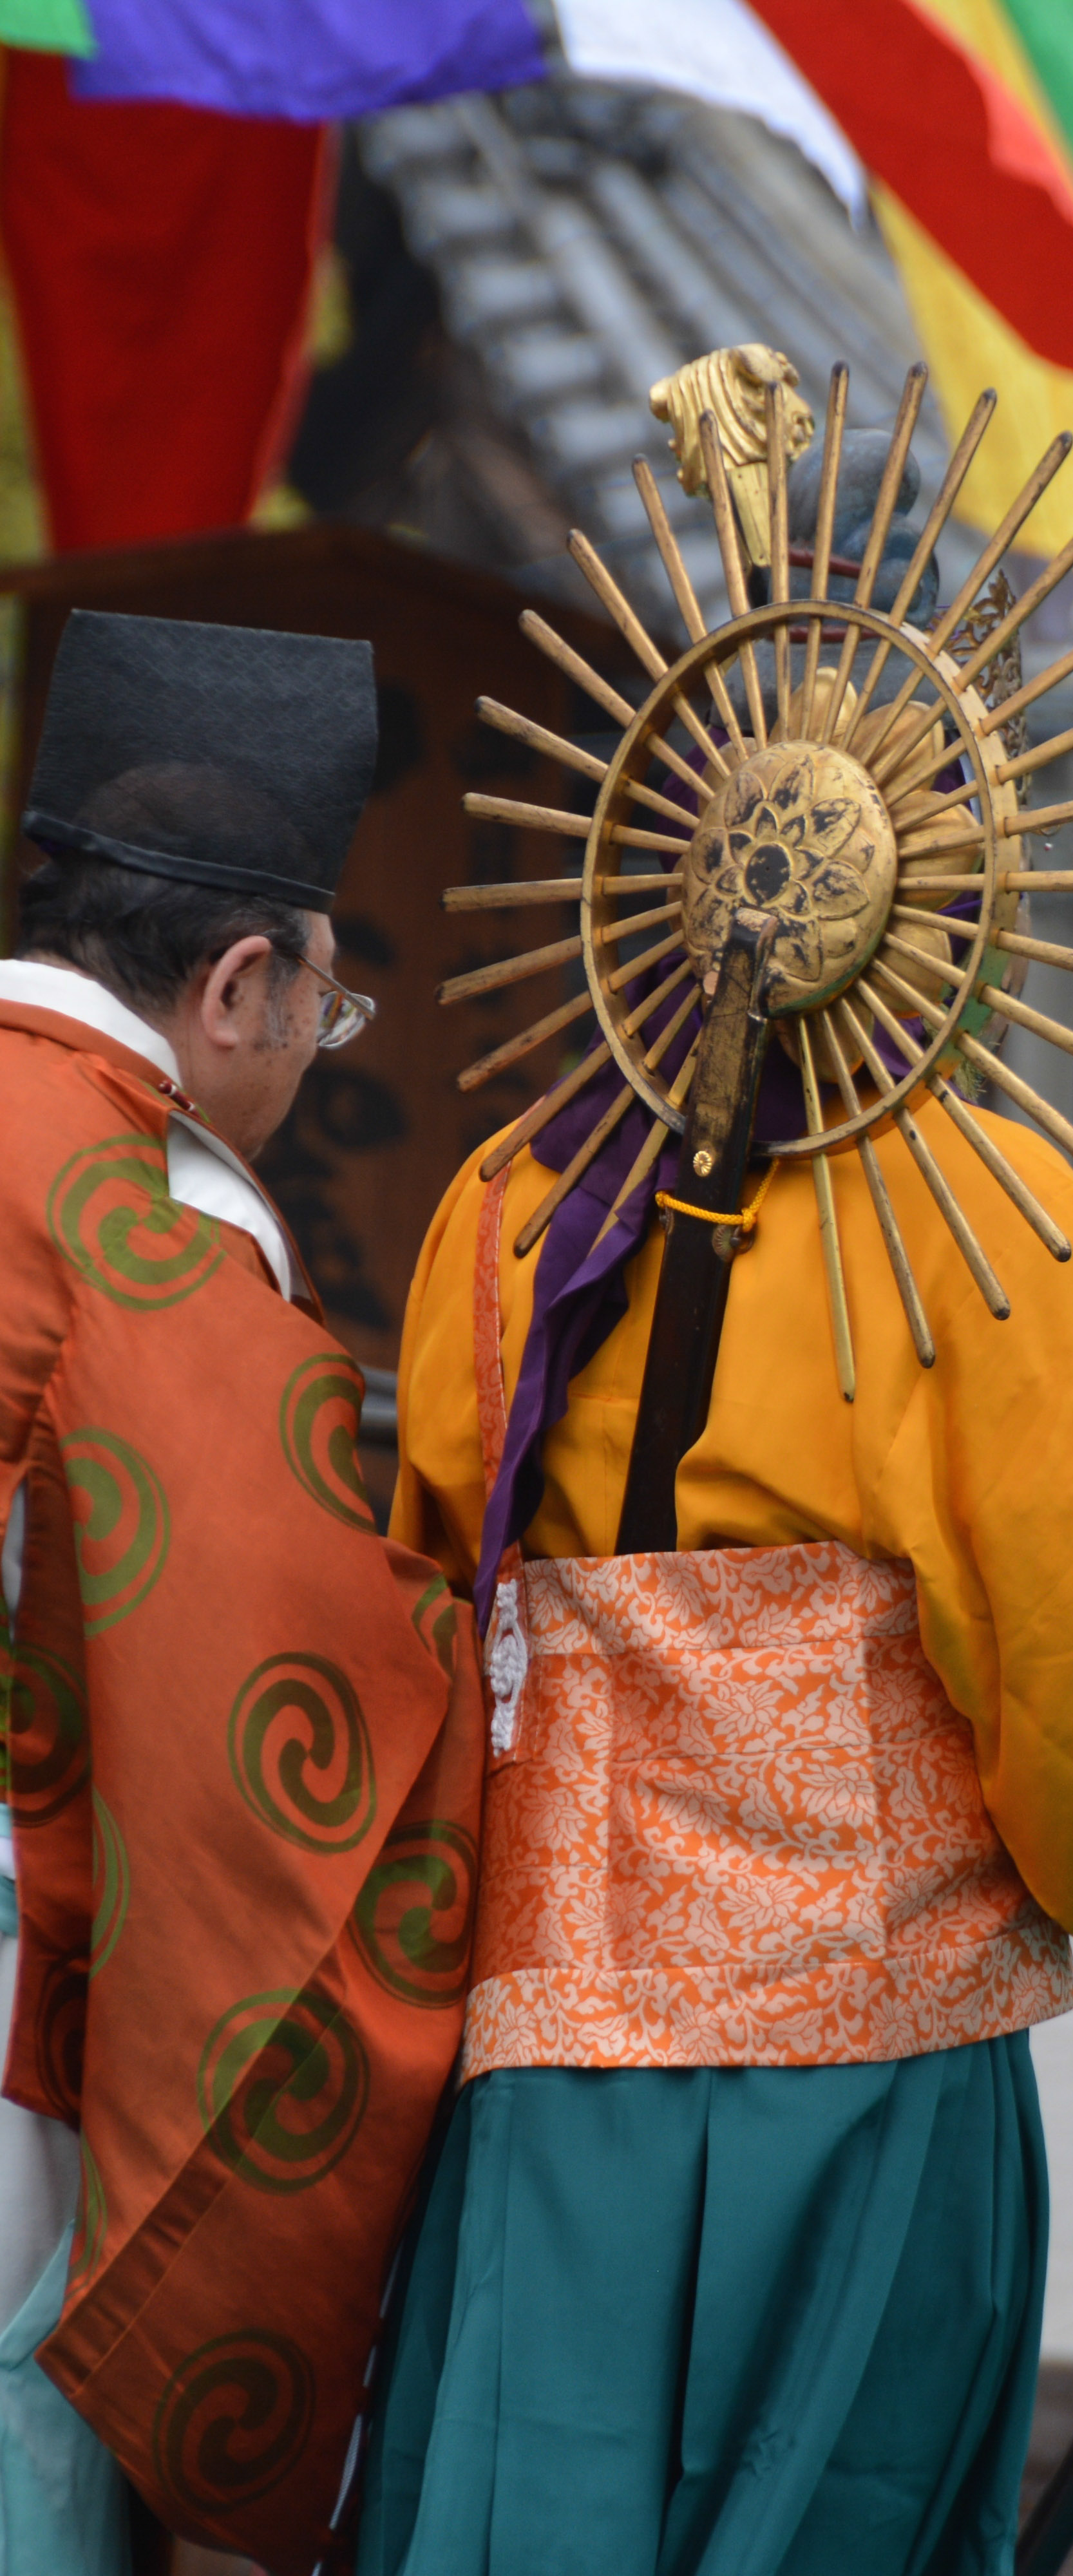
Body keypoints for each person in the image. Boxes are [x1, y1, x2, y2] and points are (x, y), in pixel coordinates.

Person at [357, 464, 1073, 2576]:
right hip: (862, 2070)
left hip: (549, 2063)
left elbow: (423, 1590)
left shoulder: (506, 1211)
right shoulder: (1000, 1235)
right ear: (952, 902)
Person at [0, 611, 484, 2571]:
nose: (304, 1047)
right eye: (320, 1008)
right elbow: (274, 1701)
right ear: (235, 983)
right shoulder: (154, 1215)